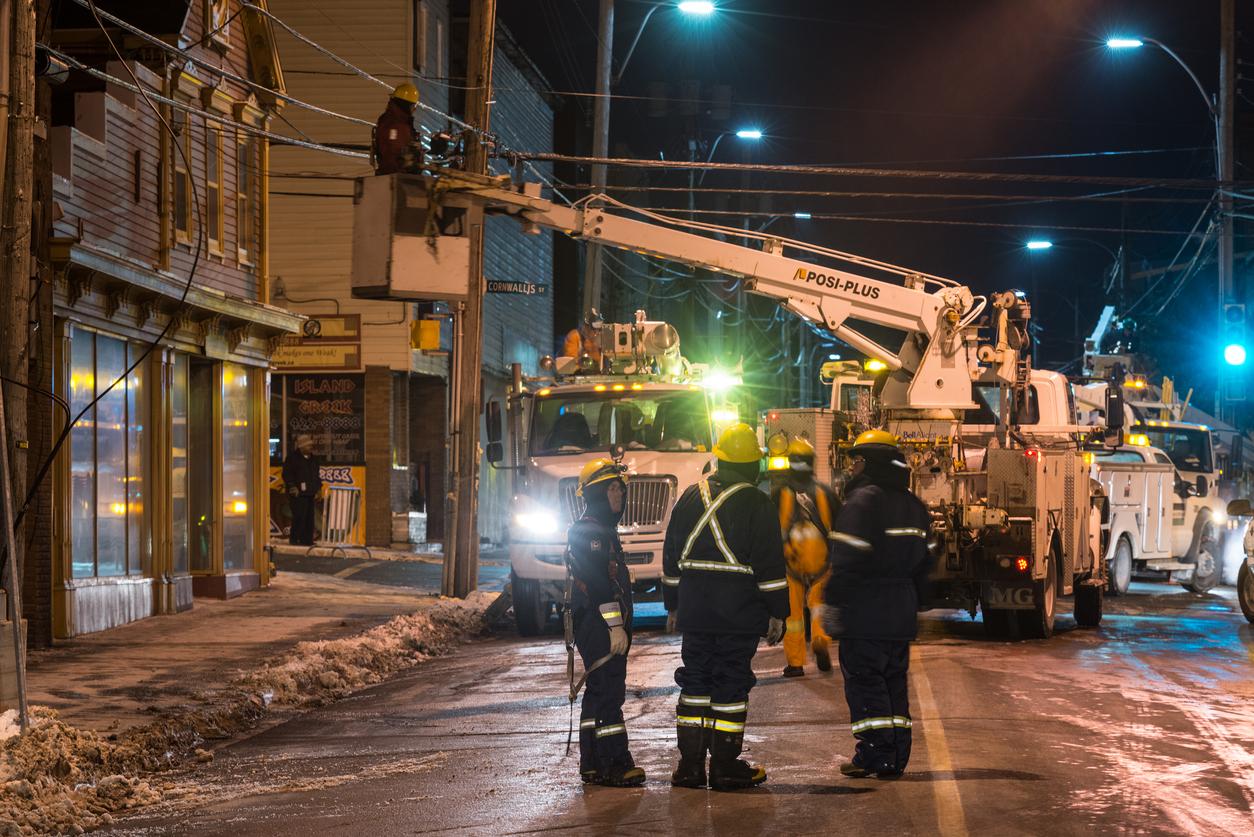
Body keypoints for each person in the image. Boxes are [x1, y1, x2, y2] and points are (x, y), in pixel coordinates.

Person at [662, 423, 789, 791]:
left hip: (696, 614)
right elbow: (770, 568)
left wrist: (673, 605)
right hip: (738, 615)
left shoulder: (688, 496)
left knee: (696, 683)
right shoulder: (757, 503)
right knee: (730, 688)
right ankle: (725, 767)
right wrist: (778, 612)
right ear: (754, 464)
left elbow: (672, 560)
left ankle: (689, 768)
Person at [823, 429, 932, 780]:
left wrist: (833, 602)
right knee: (893, 683)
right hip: (900, 611)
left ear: (869, 463)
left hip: (866, 610)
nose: (851, 467)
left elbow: (847, 560)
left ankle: (875, 753)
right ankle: (896, 756)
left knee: (866, 683)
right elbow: (927, 561)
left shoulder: (863, 502)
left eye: (856, 460)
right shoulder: (914, 505)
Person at [566, 458, 644, 787]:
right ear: (596, 493)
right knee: (610, 694)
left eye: (620, 489)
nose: (619, 496)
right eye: (611, 489)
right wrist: (614, 625)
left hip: (595, 623)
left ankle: (592, 763)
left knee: (596, 693)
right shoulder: (590, 532)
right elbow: (597, 585)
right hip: (598, 625)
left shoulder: (598, 530)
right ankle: (616, 764)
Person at [772, 437, 840, 678]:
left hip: (790, 561)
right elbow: (840, 526)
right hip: (821, 560)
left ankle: (796, 663)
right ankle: (820, 638)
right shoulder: (825, 493)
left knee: (793, 616)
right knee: (819, 606)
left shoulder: (780, 493)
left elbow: (771, 530)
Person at [373, 83, 422, 175]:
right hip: (397, 178)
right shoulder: (395, 124)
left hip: (400, 177)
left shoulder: (398, 122)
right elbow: (392, 153)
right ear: (407, 105)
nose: (414, 110)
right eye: (413, 106)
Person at [282, 434, 322, 546]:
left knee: (310, 518)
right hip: (297, 494)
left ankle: (307, 540)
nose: (310, 447)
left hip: (310, 492)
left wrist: (318, 489)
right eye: (308, 445)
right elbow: (287, 474)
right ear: (301, 446)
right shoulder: (292, 458)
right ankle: (295, 539)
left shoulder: (313, 459)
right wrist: (292, 486)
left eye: (311, 445)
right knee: (299, 516)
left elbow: (316, 475)